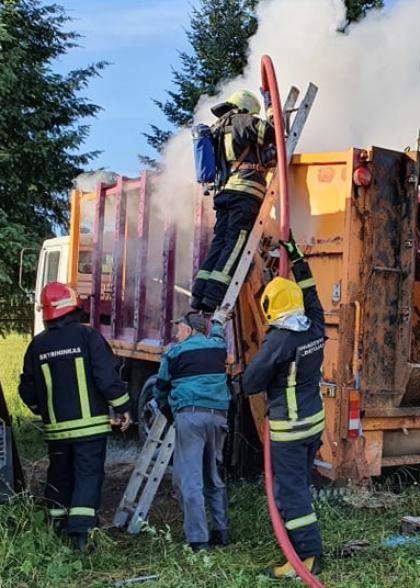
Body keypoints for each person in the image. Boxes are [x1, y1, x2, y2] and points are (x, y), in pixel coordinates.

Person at [18, 282, 131, 549]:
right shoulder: (87, 337)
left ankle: (56, 526)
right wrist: (123, 406)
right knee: (87, 475)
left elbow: (28, 389)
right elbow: (106, 377)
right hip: (89, 429)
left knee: (59, 474)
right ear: (73, 306)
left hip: (56, 431)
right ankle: (81, 534)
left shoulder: (37, 345)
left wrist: (41, 410)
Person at [242, 235, 325, 580]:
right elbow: (312, 293)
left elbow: (250, 383)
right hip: (314, 424)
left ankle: (305, 557)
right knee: (299, 487)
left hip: (289, 430)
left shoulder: (278, 341)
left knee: (290, 495)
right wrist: (296, 257)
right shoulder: (315, 327)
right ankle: (303, 547)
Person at [191, 89, 277, 313]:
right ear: (248, 108)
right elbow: (274, 133)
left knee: (219, 243)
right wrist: (270, 107)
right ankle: (213, 297)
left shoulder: (216, 128)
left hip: (224, 193)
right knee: (236, 243)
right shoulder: (244, 121)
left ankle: (199, 292)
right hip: (245, 193)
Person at [152, 311, 231, 552]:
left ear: (190, 330)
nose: (175, 333)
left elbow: (160, 389)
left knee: (191, 479)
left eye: (178, 328)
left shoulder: (174, 353)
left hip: (190, 416)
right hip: (218, 417)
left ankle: (198, 540)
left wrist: (171, 414)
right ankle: (222, 531)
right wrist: (219, 321)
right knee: (213, 476)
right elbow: (217, 332)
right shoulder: (218, 346)